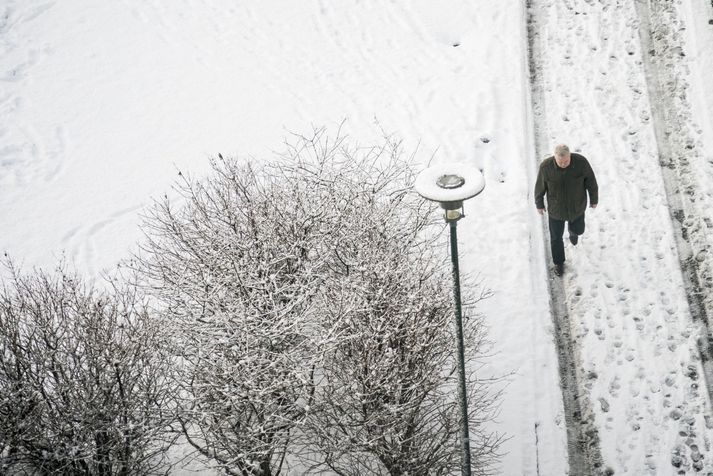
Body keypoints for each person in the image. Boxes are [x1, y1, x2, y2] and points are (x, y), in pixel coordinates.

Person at [534, 144, 598, 276]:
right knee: (556, 238)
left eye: (567, 161)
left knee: (579, 229)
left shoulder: (581, 162)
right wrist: (539, 204)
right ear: (554, 158)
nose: (564, 164)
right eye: (560, 162)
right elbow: (540, 187)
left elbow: (591, 181)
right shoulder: (546, 167)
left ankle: (573, 231)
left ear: (570, 156)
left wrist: (594, 199)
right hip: (556, 210)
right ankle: (559, 263)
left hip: (577, 207)